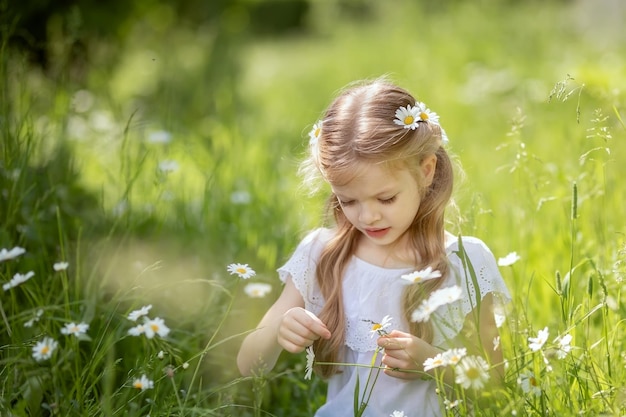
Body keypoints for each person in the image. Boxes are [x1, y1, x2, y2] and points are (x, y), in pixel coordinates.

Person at [237, 78, 510, 416]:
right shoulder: (322, 254)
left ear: (426, 171)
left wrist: (432, 362)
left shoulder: (464, 262)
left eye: (386, 198)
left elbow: (497, 384)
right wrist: (279, 329)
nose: (368, 216)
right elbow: (248, 364)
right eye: (348, 200)